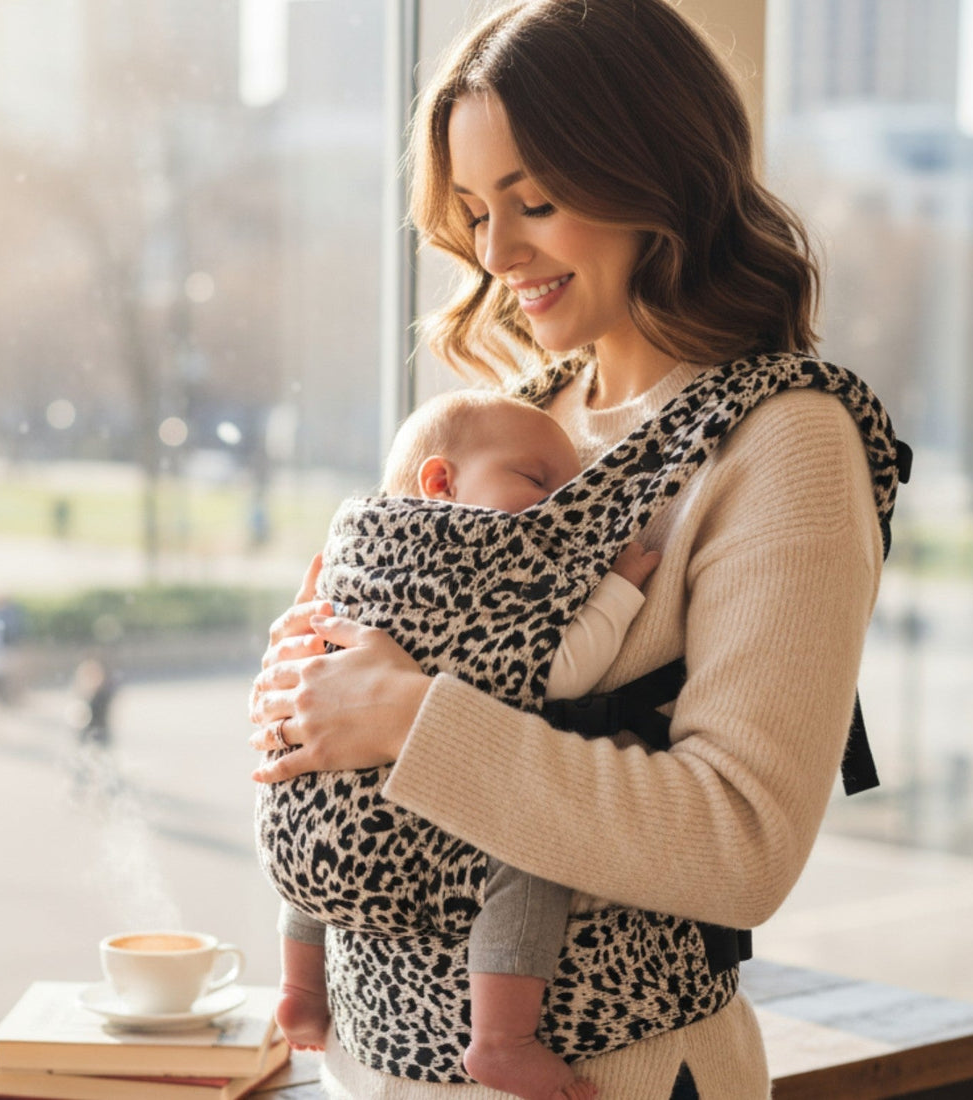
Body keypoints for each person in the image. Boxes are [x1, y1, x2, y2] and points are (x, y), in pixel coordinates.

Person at [249, 1, 905, 1096]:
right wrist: (304, 678)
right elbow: (378, 669)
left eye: (533, 204)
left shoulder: (782, 440)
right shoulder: (516, 419)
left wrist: (410, 718)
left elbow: (739, 843)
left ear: (654, 181)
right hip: (376, 1066)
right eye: (470, 210)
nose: (494, 252)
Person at [272, 388, 660, 1100]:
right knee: (535, 847)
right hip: (428, 824)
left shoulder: (355, 553)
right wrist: (619, 591)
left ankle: (300, 988)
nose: (556, 509)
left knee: (312, 825)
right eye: (538, 484)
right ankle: (503, 1038)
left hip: (327, 819)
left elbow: (305, 649)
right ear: (441, 483)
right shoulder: (483, 577)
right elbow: (557, 669)